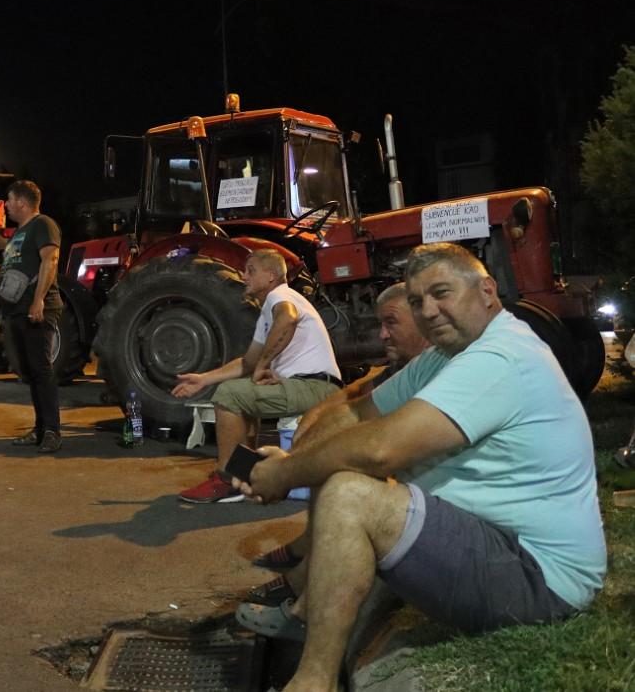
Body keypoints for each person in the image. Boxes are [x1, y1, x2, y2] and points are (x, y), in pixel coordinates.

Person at [234, 244, 606, 692]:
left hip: (537, 580)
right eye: (416, 300)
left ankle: (313, 682)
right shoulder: (446, 356)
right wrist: (293, 461)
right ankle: (308, 612)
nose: (428, 310)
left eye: (442, 293)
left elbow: (381, 449)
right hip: (493, 542)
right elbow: (354, 413)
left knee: (351, 494)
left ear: (486, 291)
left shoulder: (500, 358)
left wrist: (284, 475)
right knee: (343, 472)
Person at [243, 283, 430, 605]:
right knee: (328, 453)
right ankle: (309, 551)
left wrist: (287, 470)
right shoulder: (411, 366)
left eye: (391, 323)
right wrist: (305, 436)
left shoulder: (436, 367)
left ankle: (305, 584)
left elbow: (379, 451)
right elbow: (353, 396)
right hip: (419, 494)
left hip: (436, 503)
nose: (382, 335)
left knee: (343, 477)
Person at [171, 248, 342, 503]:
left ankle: (229, 480)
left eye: (251, 271)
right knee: (240, 390)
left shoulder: (279, 296)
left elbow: (288, 319)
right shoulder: (266, 313)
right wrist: (204, 379)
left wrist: (264, 364)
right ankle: (247, 474)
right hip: (308, 385)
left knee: (230, 394)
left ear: (271, 276)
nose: (243, 276)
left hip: (316, 387)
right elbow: (248, 362)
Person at [0, 180, 64, 452]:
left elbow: (51, 260)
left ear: (22, 202)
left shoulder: (43, 224)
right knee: (30, 372)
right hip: (16, 311)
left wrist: (38, 300)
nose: (7, 206)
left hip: (34, 309)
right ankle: (40, 428)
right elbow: (9, 270)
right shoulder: (19, 234)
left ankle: (52, 432)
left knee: (41, 370)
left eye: (9, 200)